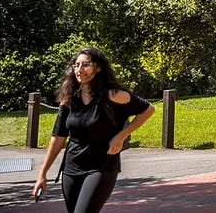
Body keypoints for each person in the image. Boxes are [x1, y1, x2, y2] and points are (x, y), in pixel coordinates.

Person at [32, 47, 154, 212]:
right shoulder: (69, 98)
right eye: (76, 65)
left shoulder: (113, 95)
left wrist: (121, 136)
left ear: (98, 67)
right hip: (72, 167)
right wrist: (42, 174)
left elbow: (148, 110)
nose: (79, 70)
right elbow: (58, 137)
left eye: (86, 65)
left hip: (101, 166)